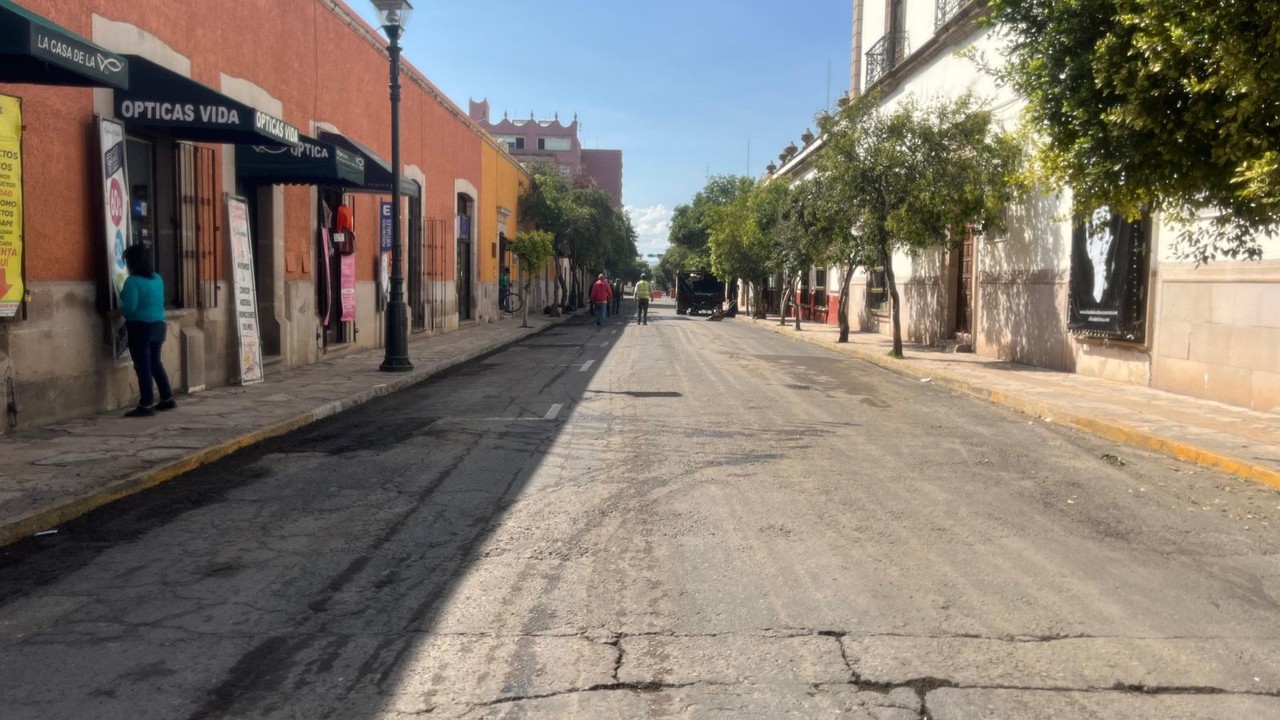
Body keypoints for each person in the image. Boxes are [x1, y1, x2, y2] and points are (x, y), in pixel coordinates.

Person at [117, 244, 176, 417]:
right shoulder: (157, 278)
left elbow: (130, 308)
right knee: (155, 363)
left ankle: (146, 404)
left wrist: (116, 312)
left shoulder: (132, 281)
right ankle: (167, 398)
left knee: (143, 366)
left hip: (140, 327)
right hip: (159, 325)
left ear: (131, 262)